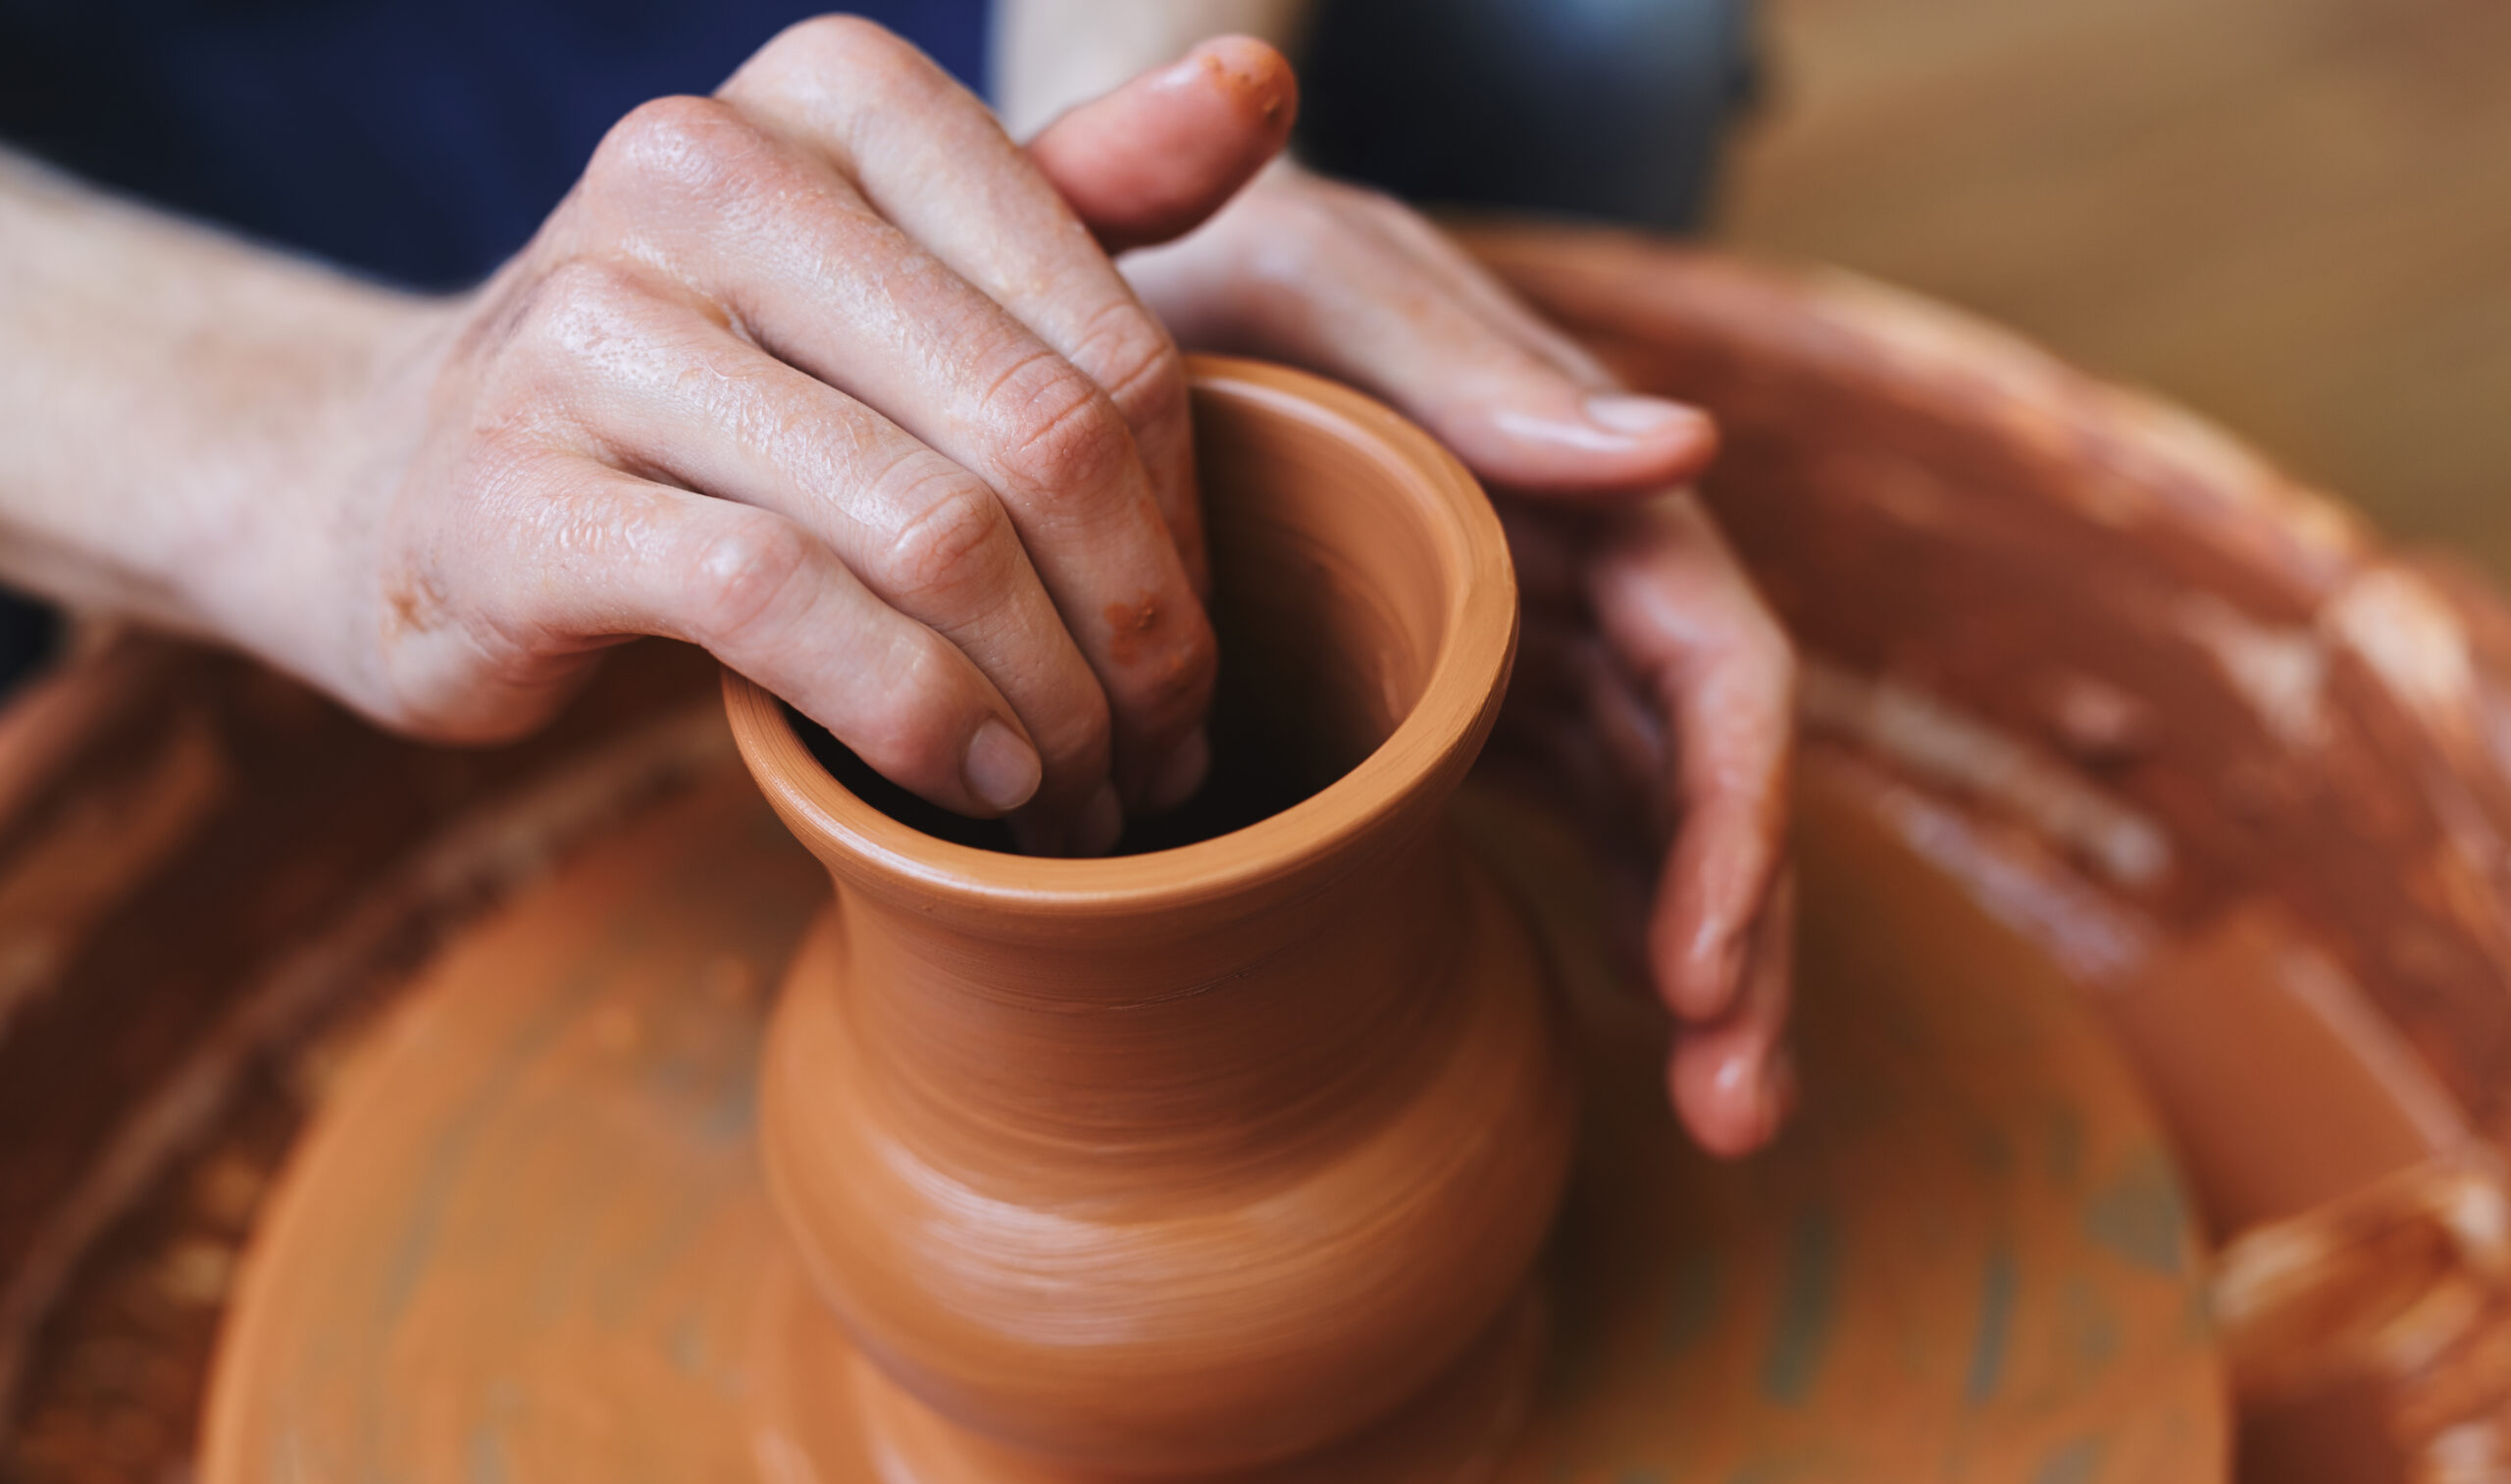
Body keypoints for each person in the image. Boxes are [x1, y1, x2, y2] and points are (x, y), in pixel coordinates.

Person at [0, 1, 1794, 1153]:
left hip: (898, 66)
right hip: (123, 196)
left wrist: (1121, 173)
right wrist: (320, 459)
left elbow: (1109, 168)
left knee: (1599, 34)